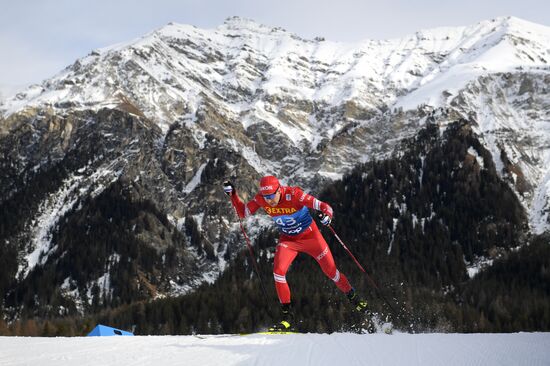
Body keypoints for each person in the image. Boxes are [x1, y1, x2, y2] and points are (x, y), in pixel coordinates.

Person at [223, 175, 368, 331]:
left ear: (279, 190)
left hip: (311, 237)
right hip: (289, 240)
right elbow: (243, 212)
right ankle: (287, 317)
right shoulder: (262, 199)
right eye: (266, 197)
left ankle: (353, 296)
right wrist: (233, 195)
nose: (269, 200)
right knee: (278, 272)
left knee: (331, 272)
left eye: (272, 196)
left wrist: (328, 217)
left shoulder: (295, 195)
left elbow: (325, 206)